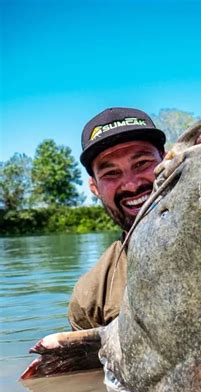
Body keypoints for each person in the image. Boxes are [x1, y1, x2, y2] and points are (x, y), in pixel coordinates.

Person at [68, 107, 166, 330]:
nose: (132, 185)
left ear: (167, 160)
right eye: (110, 173)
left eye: (141, 163)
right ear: (94, 187)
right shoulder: (90, 298)